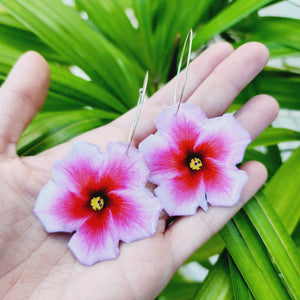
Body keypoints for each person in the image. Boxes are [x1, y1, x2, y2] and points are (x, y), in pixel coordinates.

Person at [0, 41, 278, 299]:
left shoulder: (195, 145)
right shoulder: (95, 180)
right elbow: (55, 205)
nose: (97, 202)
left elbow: (146, 203)